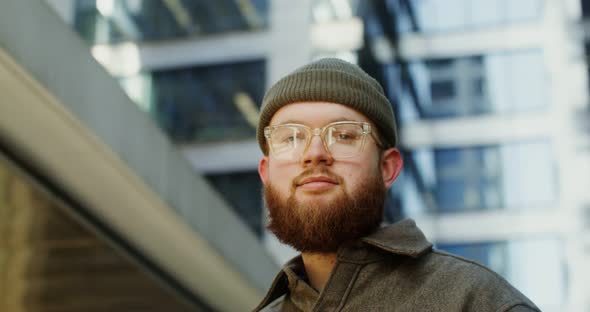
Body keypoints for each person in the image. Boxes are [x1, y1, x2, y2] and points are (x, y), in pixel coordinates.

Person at [253, 58, 539, 311]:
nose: (314, 153)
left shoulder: (479, 300)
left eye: (344, 136)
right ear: (266, 173)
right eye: (290, 138)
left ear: (387, 168)